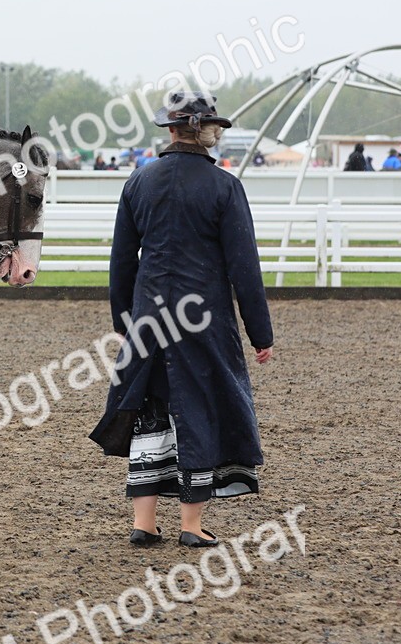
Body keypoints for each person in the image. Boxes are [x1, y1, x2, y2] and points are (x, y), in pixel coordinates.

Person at [90, 91, 273, 549]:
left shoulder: (138, 183)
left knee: (149, 413)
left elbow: (121, 263)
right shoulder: (225, 187)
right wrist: (260, 333)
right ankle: (191, 525)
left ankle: (144, 522)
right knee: (200, 409)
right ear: (208, 134)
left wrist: (124, 320)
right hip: (203, 320)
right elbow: (244, 268)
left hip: (148, 320)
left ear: (169, 130)